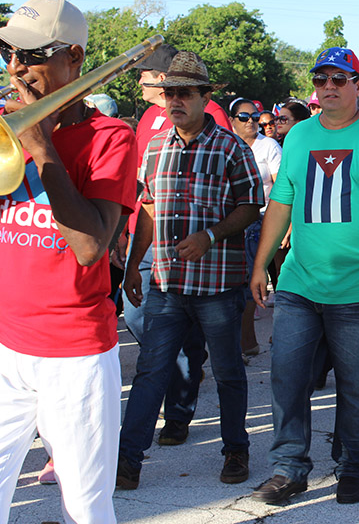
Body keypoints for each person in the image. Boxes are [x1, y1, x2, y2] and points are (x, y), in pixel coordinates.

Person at [249, 47, 359, 506]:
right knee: (287, 377)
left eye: (339, 79)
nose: (329, 87)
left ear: (357, 85)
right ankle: (288, 469)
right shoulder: (300, 136)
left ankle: (352, 465)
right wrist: (263, 263)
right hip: (301, 285)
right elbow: (282, 202)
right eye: (321, 79)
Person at [0, 0, 137, 524]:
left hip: (73, 356)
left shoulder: (111, 137)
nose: (17, 68)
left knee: (85, 507)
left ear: (73, 59)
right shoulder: (1, 135)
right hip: (2, 344)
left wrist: (43, 149)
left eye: (32, 55)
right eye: (9, 54)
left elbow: (91, 246)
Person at [118, 51, 263, 490]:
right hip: (165, 281)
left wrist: (211, 236)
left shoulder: (231, 147)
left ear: (204, 97)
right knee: (151, 371)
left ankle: (236, 449)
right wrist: (132, 266)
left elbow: (251, 206)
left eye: (185, 93)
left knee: (228, 371)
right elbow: (146, 208)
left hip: (218, 285)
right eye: (169, 93)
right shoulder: (157, 147)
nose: (175, 101)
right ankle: (128, 461)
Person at [124, 42, 221, 449]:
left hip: (188, 245)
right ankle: (172, 370)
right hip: (145, 238)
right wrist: (123, 237)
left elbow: (222, 182)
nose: (142, 82)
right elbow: (140, 184)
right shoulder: (149, 117)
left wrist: (209, 237)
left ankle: (178, 411)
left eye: (147, 75)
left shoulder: (210, 115)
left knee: (182, 333)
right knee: (135, 316)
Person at [229, 98, 282, 356]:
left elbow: (281, 186)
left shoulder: (268, 145)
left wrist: (286, 223)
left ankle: (275, 337)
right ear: (232, 121)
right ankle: (246, 342)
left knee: (273, 281)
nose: (251, 121)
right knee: (242, 284)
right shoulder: (227, 145)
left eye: (255, 116)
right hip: (235, 221)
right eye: (243, 117)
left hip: (265, 219)